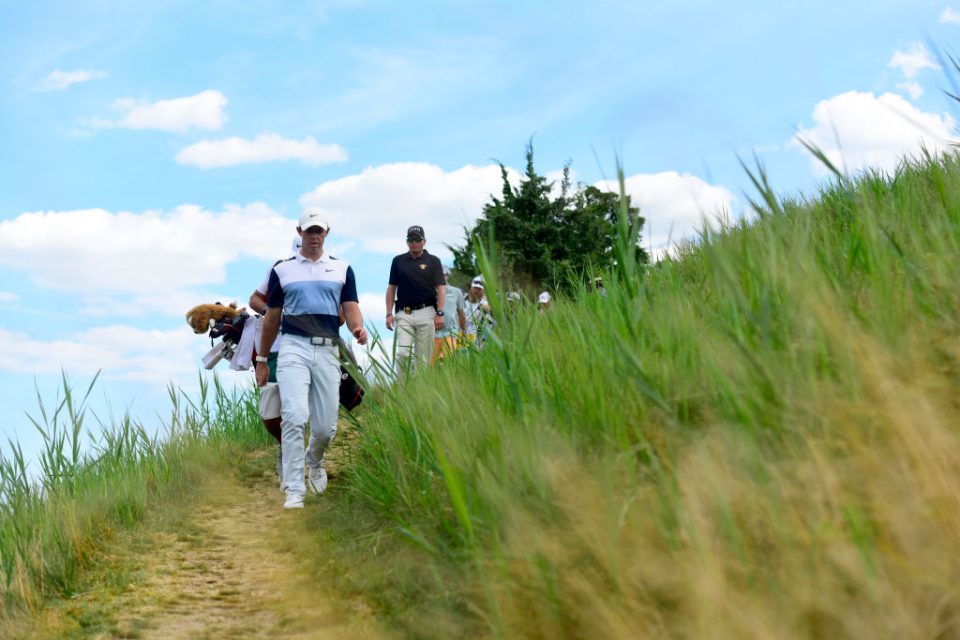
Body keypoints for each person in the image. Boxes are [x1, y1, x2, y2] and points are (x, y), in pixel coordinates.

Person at [257, 208, 368, 510]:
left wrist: (358, 327)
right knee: (293, 417)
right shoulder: (284, 270)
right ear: (299, 232)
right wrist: (263, 358)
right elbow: (271, 318)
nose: (314, 236)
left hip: (328, 348)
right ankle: (294, 489)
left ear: (327, 233)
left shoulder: (342, 269)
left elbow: (351, 306)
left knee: (325, 427)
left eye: (319, 231)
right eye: (309, 231)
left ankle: (314, 462)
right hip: (294, 347)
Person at [384, 225, 445, 373]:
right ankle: (401, 389)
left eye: (417, 239)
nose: (414, 243)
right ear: (407, 242)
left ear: (424, 241)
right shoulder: (398, 261)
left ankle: (420, 391)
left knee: (423, 358)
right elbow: (391, 288)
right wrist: (388, 313)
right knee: (403, 353)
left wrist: (440, 313)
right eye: (410, 239)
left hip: (427, 312)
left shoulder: (433, 261)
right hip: (404, 313)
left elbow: (441, 288)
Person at [430, 264, 467, 365]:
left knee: (447, 359)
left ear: (447, 276)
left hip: (450, 333)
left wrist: (464, 331)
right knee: (429, 366)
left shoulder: (456, 292)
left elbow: (461, 314)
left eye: (444, 274)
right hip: (431, 335)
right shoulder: (427, 292)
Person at [464, 276, 493, 347]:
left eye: (479, 289)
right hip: (459, 336)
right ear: (471, 288)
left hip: (475, 339)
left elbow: (489, 326)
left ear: (483, 291)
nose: (476, 291)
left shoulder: (486, 305)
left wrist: (490, 311)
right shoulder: (461, 299)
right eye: (475, 288)